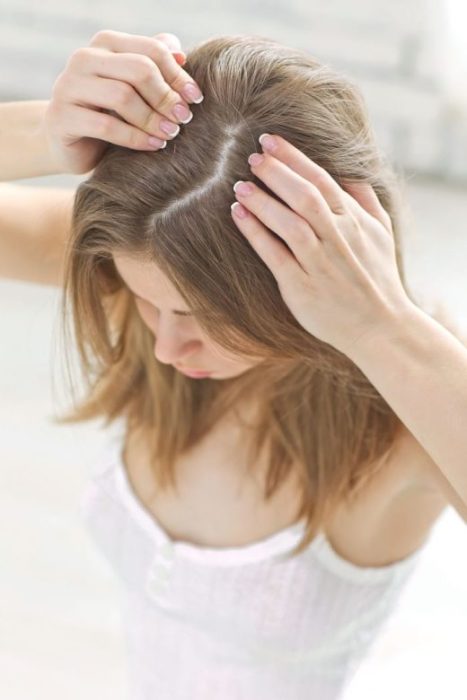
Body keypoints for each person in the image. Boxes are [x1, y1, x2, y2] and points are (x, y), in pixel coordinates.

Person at [1, 28, 466, 700]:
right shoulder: (154, 280)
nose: (164, 346)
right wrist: (41, 130)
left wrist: (381, 326)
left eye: (206, 321)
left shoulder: (401, 421)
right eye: (146, 303)